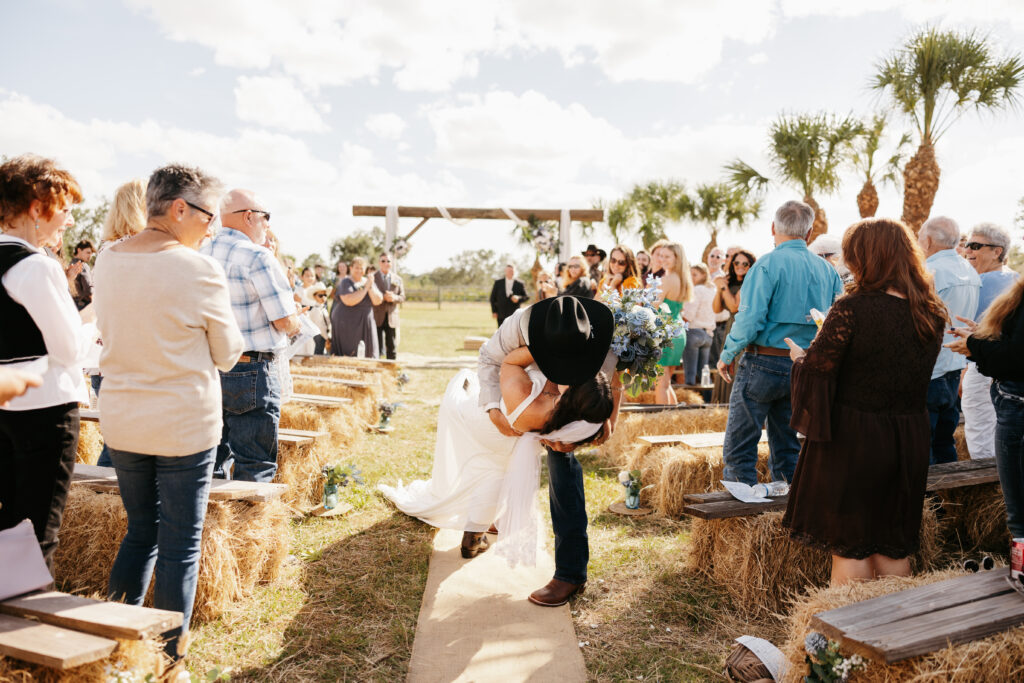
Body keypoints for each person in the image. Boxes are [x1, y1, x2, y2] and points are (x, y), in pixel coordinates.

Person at [94, 164, 243, 660]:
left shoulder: (108, 259)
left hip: (121, 419)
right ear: (180, 209)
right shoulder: (198, 268)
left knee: (140, 531)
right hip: (182, 424)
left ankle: (117, 639)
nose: (213, 227)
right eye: (208, 216)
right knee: (181, 543)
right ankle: (167, 657)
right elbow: (227, 354)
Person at [379, 297, 614, 564]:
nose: (569, 374)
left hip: (494, 420)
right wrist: (494, 408)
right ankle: (475, 533)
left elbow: (511, 364)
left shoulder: (539, 397)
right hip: (495, 418)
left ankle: (475, 534)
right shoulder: (555, 409)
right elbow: (491, 358)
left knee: (493, 470)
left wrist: (540, 354)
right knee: (496, 470)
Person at [783, 218, 946, 585]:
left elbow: (821, 371)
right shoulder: (931, 311)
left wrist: (800, 361)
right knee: (892, 543)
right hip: (908, 436)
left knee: (851, 543)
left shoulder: (852, 309)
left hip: (855, 437)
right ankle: (893, 633)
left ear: (866, 257)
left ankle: (850, 639)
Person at [0, 154, 91, 568]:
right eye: (66, 210)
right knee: (36, 533)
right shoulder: (36, 267)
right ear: (37, 208)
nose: (69, 221)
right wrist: (95, 319)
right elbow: (71, 350)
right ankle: (24, 621)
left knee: (6, 522)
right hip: (44, 410)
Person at [718, 201, 843, 485]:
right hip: (805, 364)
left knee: (741, 443)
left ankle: (740, 513)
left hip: (763, 360)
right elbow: (836, 320)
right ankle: (788, 510)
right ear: (809, 232)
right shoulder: (827, 270)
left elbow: (750, 320)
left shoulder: (766, 264)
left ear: (774, 228)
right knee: (788, 444)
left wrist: (728, 353)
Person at [201, 189, 300, 483]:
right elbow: (284, 320)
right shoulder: (257, 257)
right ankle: (248, 526)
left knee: (209, 458)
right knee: (254, 463)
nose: (267, 225)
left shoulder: (201, 252)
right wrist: (296, 318)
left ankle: (208, 525)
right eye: (266, 217)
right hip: (250, 367)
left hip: (208, 365)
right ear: (248, 217)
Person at [948, 276, 1024, 541]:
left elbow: (1015, 358)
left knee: (1019, 515)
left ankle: (1020, 576)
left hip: (1017, 408)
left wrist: (975, 344)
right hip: (1014, 403)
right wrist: (981, 339)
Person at [90, 178, 149, 468]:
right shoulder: (138, 251)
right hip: (132, 363)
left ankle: (99, 501)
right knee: (122, 450)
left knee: (118, 445)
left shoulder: (107, 250)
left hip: (109, 360)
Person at [918, 216, 980, 464]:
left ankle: (932, 502)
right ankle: (951, 499)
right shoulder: (969, 270)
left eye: (920, 237)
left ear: (929, 240)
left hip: (930, 370)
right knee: (945, 441)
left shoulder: (929, 272)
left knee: (924, 444)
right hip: (955, 366)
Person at [960, 222, 1018, 459]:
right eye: (966, 245)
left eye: (975, 246)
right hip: (1008, 371)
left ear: (997, 251)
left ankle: (988, 485)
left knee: (980, 431)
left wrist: (964, 371)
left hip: (983, 367)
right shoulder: (1015, 280)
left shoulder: (978, 284)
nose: (968, 251)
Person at [710, 249, 756, 404]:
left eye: (745, 263)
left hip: (741, 327)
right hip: (730, 327)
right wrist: (720, 288)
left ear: (751, 266)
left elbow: (735, 306)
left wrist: (723, 287)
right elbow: (716, 309)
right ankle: (723, 405)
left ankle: (737, 403)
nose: (740, 266)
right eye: (737, 263)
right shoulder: (728, 282)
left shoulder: (749, 283)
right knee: (725, 363)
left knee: (737, 364)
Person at [653, 242, 691, 404]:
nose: (662, 259)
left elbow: (652, 306)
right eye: (661, 255)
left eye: (667, 256)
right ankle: (671, 416)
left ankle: (661, 419)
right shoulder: (683, 280)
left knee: (660, 383)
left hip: (664, 332)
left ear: (677, 259)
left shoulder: (666, 280)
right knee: (666, 382)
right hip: (678, 331)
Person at [332, 256, 382, 357]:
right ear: (351, 268)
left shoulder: (368, 282)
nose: (359, 270)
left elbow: (378, 300)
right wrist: (365, 288)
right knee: (349, 351)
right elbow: (349, 301)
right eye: (356, 268)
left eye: (361, 268)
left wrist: (370, 287)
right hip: (347, 321)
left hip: (365, 321)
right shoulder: (345, 282)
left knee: (368, 351)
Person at [683, 263, 715, 386]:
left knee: (690, 375)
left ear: (703, 275)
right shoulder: (712, 291)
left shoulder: (696, 290)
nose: (691, 277)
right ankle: (709, 402)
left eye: (695, 274)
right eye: (690, 274)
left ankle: (691, 403)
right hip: (707, 335)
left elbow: (689, 315)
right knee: (704, 376)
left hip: (693, 333)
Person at [373, 252, 405, 360]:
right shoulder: (373, 278)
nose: (386, 263)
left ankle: (391, 370)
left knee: (392, 346)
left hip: (392, 317)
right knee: (376, 346)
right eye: (383, 261)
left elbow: (402, 297)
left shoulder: (397, 279)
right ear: (379, 262)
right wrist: (382, 297)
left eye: (388, 261)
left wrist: (394, 298)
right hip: (376, 317)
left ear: (392, 263)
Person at [707, 247, 729, 367]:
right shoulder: (703, 277)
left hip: (719, 325)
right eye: (712, 256)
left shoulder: (723, 278)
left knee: (716, 359)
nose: (714, 259)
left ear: (723, 261)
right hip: (705, 324)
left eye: (718, 257)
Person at [70, 239, 95, 310]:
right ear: (79, 250)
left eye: (91, 253)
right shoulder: (83, 265)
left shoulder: (70, 265)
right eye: (88, 252)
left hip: (72, 306)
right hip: (84, 306)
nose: (90, 255)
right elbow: (89, 291)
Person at [308, 283, 332, 355]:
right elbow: (320, 326)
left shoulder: (323, 308)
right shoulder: (316, 310)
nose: (323, 298)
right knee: (318, 351)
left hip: (323, 334)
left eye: (325, 295)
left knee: (321, 351)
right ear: (315, 297)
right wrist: (327, 337)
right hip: (320, 335)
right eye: (320, 295)